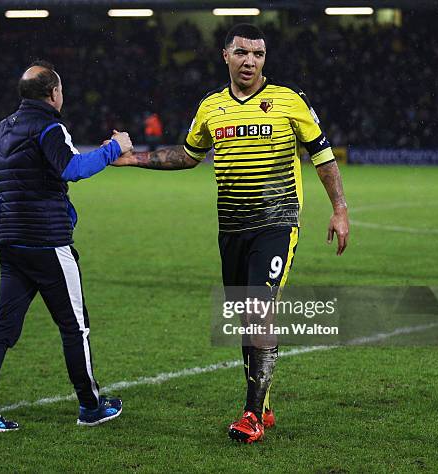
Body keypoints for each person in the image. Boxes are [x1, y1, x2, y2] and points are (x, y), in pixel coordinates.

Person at [113, 24, 349, 443]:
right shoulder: (211, 107)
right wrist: (133, 159)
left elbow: (322, 155)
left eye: (258, 54)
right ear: (225, 56)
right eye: (242, 53)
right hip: (231, 229)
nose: (250, 61)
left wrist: (340, 209)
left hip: (277, 224)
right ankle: (264, 403)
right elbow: (187, 155)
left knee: (259, 308)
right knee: (246, 319)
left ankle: (252, 414)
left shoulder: (288, 101)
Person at [0, 60, 133, 431]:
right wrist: (113, 148)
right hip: (49, 243)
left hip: (10, 243)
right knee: (75, 329)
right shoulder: (51, 126)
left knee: (2, 328)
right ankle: (90, 406)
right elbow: (72, 169)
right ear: (53, 93)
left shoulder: (1, 129)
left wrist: (3, 228)